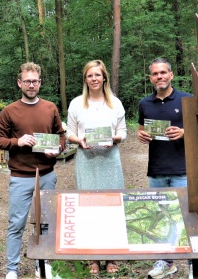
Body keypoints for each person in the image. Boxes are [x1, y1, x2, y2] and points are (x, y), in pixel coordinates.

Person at [0, 62, 66, 279]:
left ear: (40, 83)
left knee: (45, 222)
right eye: (27, 81)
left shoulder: (50, 108)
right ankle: (12, 269)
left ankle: (43, 265)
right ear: (20, 83)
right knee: (17, 223)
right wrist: (18, 141)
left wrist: (58, 149)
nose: (31, 85)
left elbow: (60, 135)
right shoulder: (9, 111)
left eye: (35, 81)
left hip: (46, 174)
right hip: (20, 175)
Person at [66, 59, 127, 275]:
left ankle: (111, 256)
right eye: (90, 75)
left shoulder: (115, 104)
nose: (94, 79)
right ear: (85, 79)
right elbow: (69, 132)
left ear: (104, 78)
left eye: (98, 75)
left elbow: (123, 132)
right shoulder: (76, 104)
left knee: (111, 206)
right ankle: (93, 257)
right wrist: (79, 140)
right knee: (89, 206)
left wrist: (114, 138)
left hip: (110, 160)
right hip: (87, 160)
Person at [137, 58, 192, 279]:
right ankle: (166, 262)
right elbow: (141, 130)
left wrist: (184, 132)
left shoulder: (187, 99)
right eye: (154, 74)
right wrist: (140, 135)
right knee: (160, 217)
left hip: (183, 169)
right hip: (157, 170)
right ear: (150, 78)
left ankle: (192, 263)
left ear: (171, 75)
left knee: (186, 218)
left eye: (163, 73)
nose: (159, 77)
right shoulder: (145, 104)